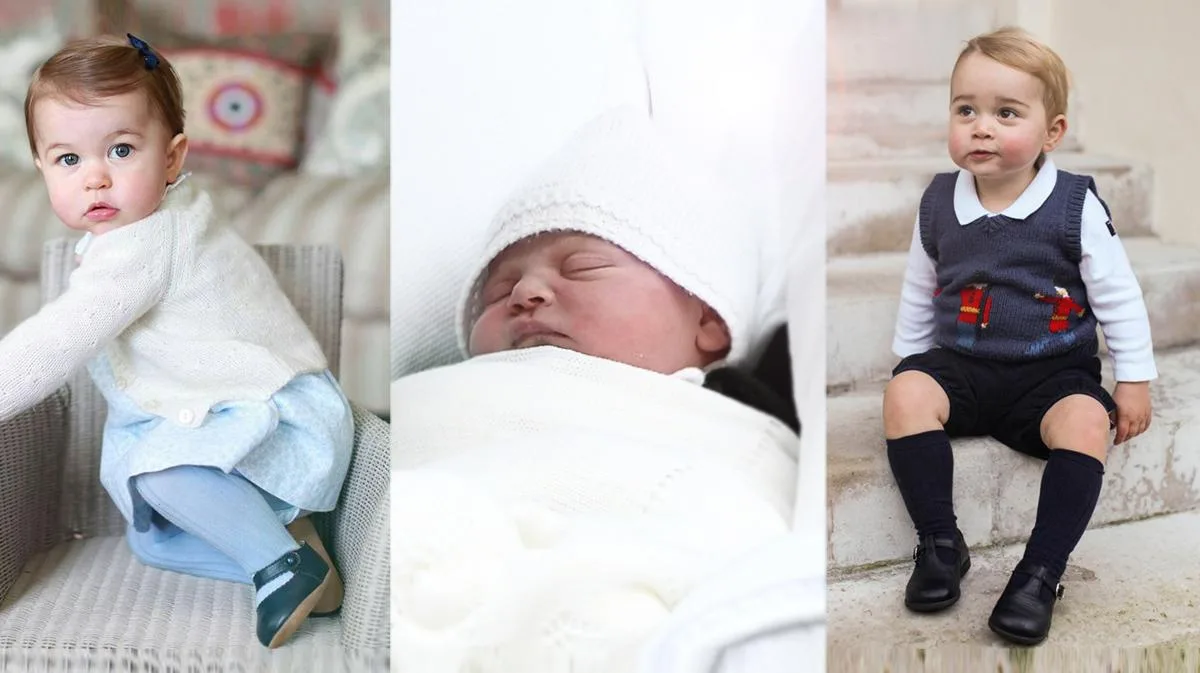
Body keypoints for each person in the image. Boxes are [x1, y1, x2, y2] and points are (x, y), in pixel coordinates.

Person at [6, 34, 353, 648]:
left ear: (171, 159)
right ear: (40, 166)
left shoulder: (147, 242)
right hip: (237, 419)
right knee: (151, 539)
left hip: (272, 418)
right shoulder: (168, 218)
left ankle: (282, 564)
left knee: (158, 476)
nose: (95, 179)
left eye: (120, 149)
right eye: (68, 160)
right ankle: (291, 564)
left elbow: (57, 341)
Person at [882, 26, 1156, 646]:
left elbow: (1118, 293)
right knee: (904, 395)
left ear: (1051, 132)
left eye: (1006, 113)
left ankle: (1039, 573)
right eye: (966, 110)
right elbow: (919, 283)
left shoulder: (1073, 205)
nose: (981, 127)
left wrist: (1133, 379)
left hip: (1052, 376)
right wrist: (910, 362)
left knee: (1087, 423)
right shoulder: (937, 203)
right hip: (964, 365)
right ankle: (940, 543)